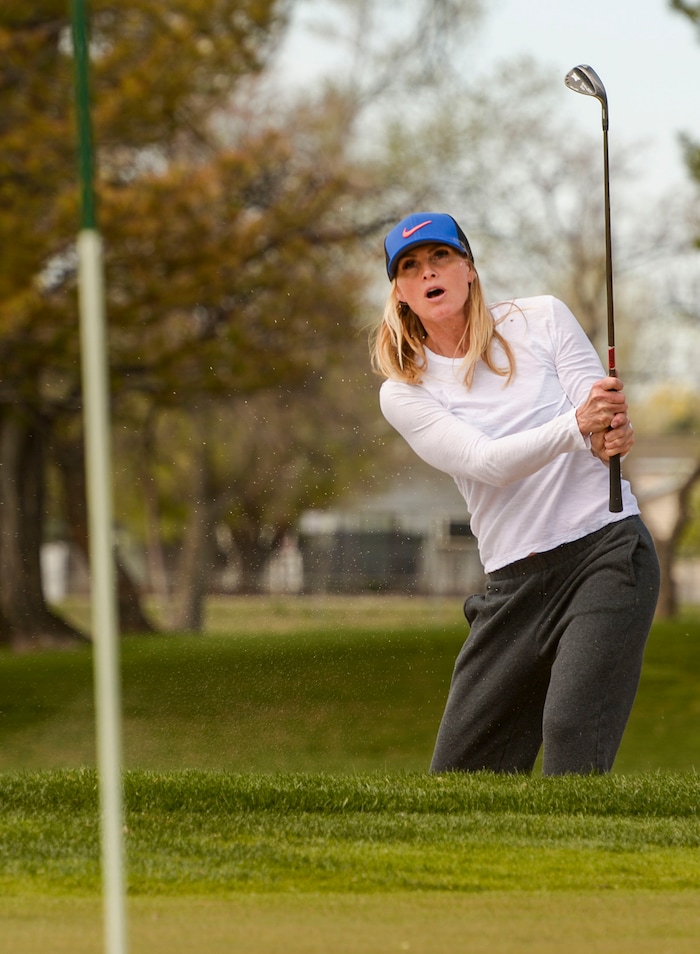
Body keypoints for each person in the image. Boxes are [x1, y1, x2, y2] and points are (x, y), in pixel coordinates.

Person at [371, 212, 660, 776]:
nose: (428, 272)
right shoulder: (404, 391)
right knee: (460, 777)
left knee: (571, 730)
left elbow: (595, 416)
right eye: (410, 267)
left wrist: (608, 435)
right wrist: (579, 426)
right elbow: (486, 463)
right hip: (512, 584)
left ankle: (578, 862)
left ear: (469, 269)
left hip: (605, 551)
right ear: (400, 293)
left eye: (441, 258)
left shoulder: (543, 318)